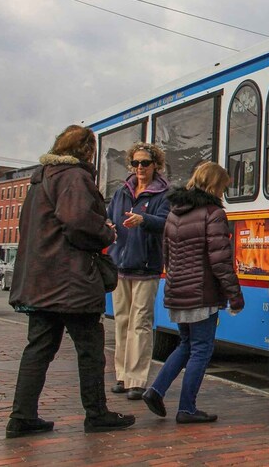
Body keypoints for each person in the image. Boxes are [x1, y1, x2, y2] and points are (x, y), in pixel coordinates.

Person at [6, 125, 136, 438]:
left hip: (40, 281)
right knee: (90, 350)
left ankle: (22, 416)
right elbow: (78, 221)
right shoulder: (74, 176)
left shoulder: (42, 178)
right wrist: (106, 232)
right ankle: (97, 413)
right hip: (71, 280)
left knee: (38, 348)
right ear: (85, 149)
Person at [141, 161, 244, 423]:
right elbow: (220, 260)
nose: (223, 193)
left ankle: (156, 390)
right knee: (201, 349)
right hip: (202, 292)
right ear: (214, 185)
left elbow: (168, 255)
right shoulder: (213, 213)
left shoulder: (174, 213)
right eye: (223, 187)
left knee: (186, 344)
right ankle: (186, 408)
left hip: (178, 290)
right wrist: (235, 295)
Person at [107, 143, 170, 401]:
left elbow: (167, 223)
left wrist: (144, 220)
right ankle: (121, 375)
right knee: (122, 321)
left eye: (145, 163)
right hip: (120, 265)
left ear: (156, 164)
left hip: (146, 267)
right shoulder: (121, 192)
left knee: (140, 323)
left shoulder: (163, 194)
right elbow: (108, 216)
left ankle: (136, 379)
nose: (140, 168)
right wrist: (108, 225)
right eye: (135, 163)